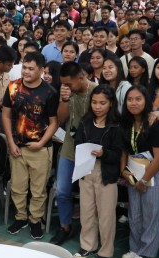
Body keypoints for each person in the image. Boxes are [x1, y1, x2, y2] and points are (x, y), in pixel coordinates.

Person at [3, 52, 59, 239]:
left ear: (41, 70)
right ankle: (20, 217)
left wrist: (41, 143)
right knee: (18, 187)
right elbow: (6, 115)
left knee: (38, 190)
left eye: (31, 68)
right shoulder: (12, 87)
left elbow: (53, 122)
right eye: (24, 67)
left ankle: (35, 220)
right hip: (17, 147)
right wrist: (10, 142)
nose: (26, 72)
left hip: (40, 149)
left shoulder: (50, 92)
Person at [50, 62, 97, 246]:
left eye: (69, 84)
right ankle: (65, 227)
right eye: (63, 84)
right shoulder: (68, 93)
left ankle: (89, 231)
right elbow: (61, 119)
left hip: (89, 150)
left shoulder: (97, 91)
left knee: (89, 195)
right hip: (69, 147)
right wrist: (64, 99)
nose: (66, 87)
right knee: (62, 191)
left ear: (81, 77)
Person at [73, 85, 122, 258]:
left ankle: (106, 251)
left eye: (102, 103)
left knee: (106, 214)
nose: (97, 106)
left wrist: (104, 153)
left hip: (106, 173)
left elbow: (118, 153)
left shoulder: (116, 125)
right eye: (94, 102)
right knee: (86, 211)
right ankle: (88, 246)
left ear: (110, 104)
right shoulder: (86, 122)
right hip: (86, 170)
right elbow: (77, 143)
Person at [120, 85, 159, 258]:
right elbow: (124, 150)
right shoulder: (127, 124)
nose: (133, 103)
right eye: (129, 99)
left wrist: (144, 181)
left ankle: (145, 254)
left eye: (138, 99)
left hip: (153, 175)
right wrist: (124, 170)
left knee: (151, 216)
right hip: (133, 173)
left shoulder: (155, 125)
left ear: (146, 101)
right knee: (135, 214)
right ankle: (134, 250)